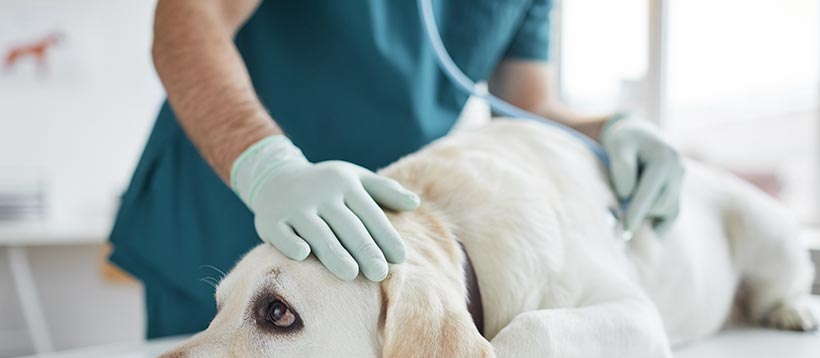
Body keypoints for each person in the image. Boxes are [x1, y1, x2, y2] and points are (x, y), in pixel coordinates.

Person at [110, 0, 684, 339]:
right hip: (219, 216)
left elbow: (529, 102)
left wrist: (609, 131)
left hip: (368, 257)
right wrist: (269, 167)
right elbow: (190, 20)